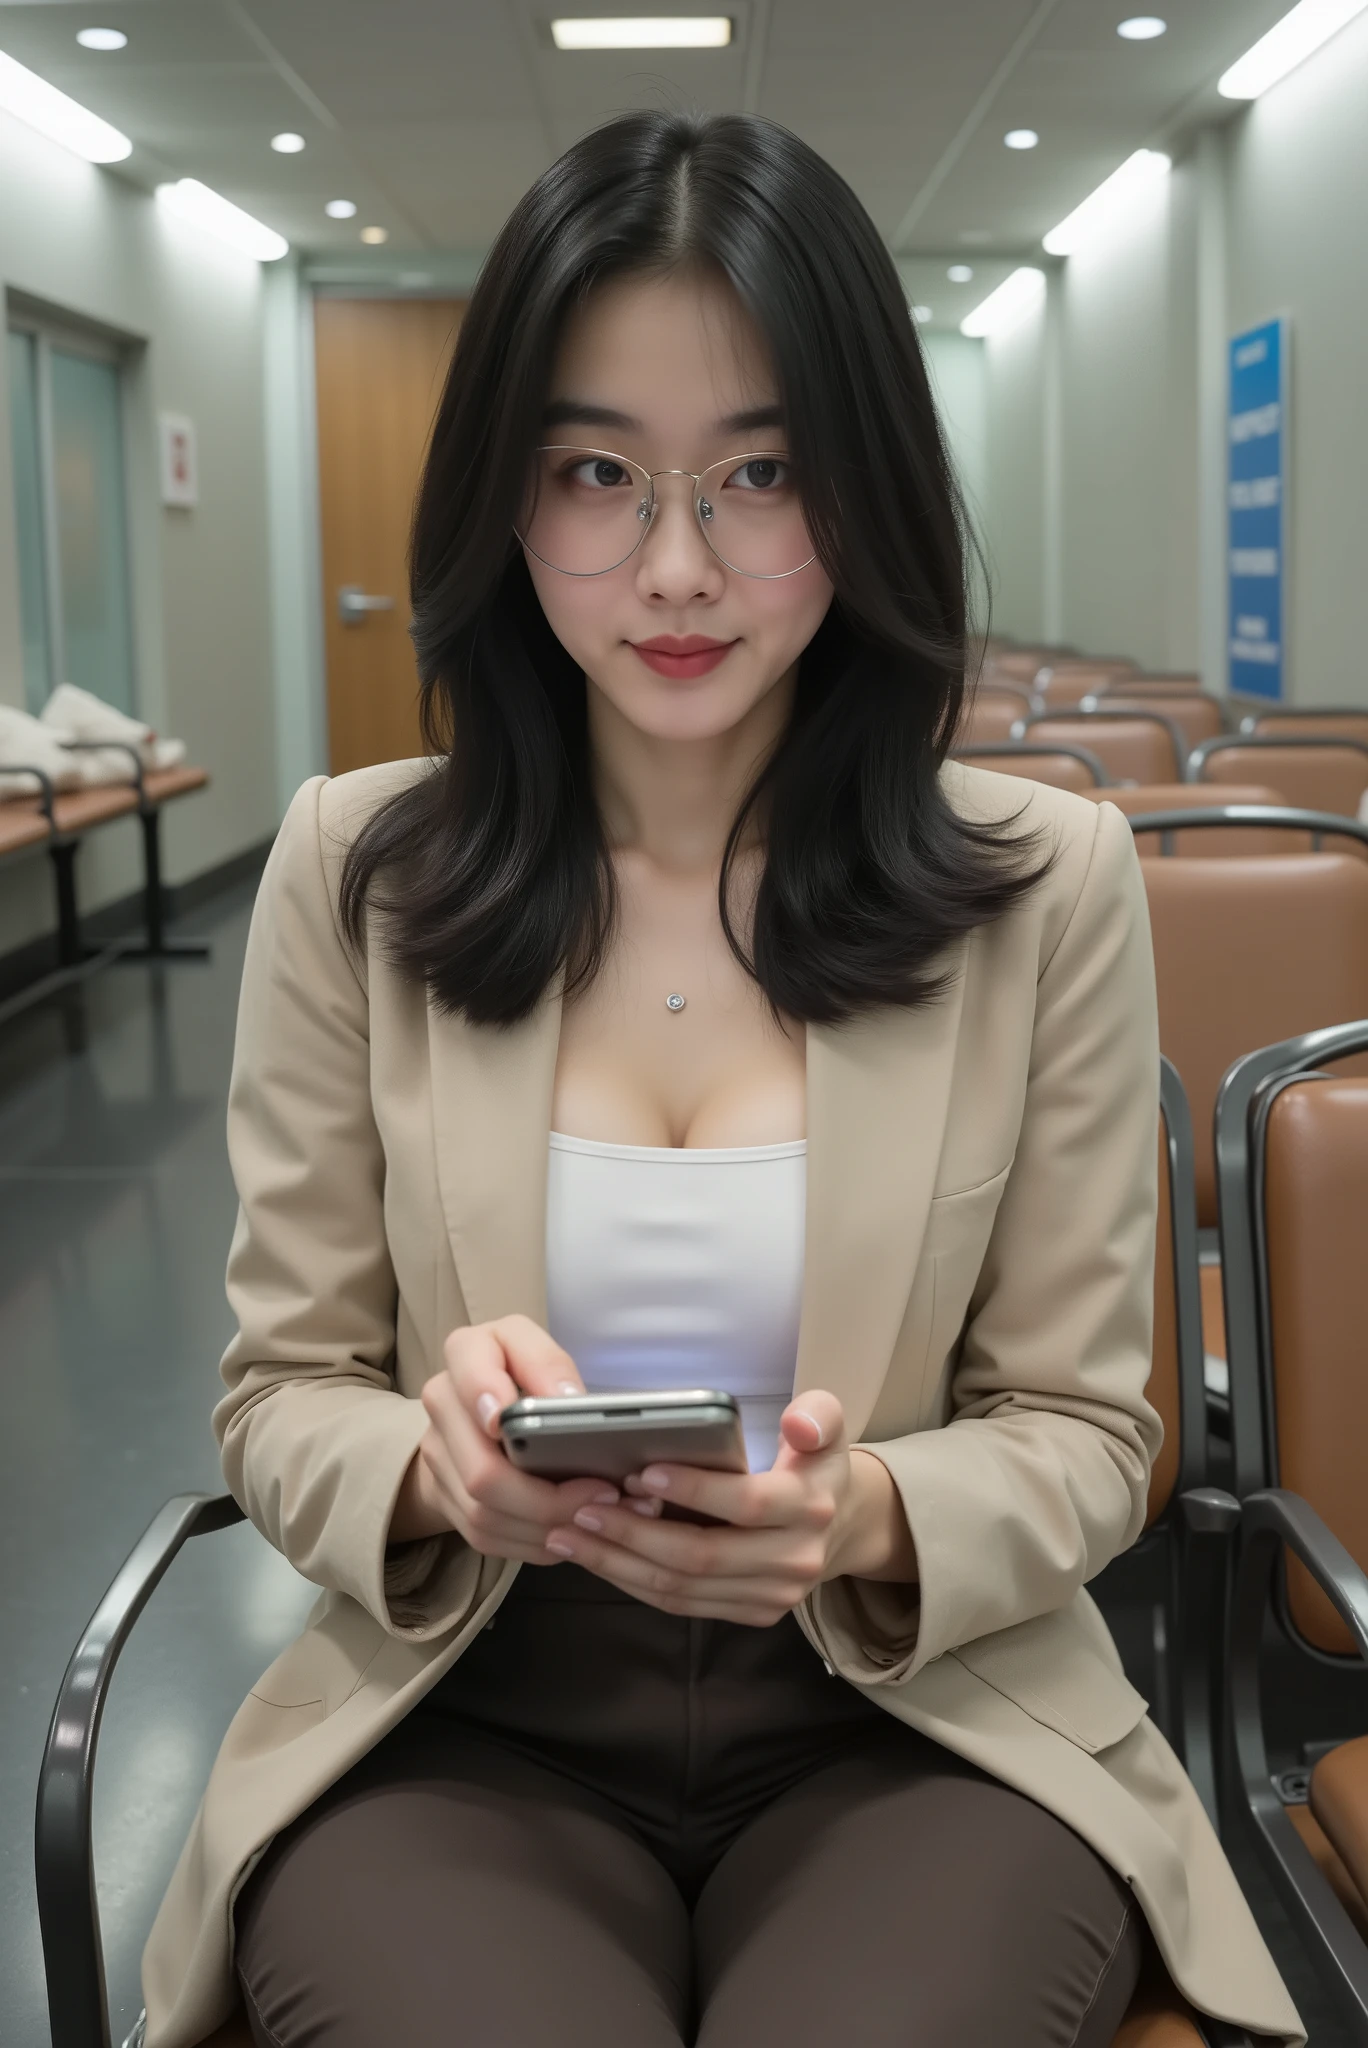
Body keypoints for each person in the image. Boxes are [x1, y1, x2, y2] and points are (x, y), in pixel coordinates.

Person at [140, 112, 1301, 2048]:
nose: (677, 567)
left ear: (866, 489)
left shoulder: (1044, 882)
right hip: (465, 1719)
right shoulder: (359, 870)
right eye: (597, 472)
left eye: (761, 472)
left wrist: (863, 1512)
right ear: (506, 498)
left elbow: (1092, 1429)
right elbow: (281, 1389)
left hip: (920, 1713)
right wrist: (427, 1466)